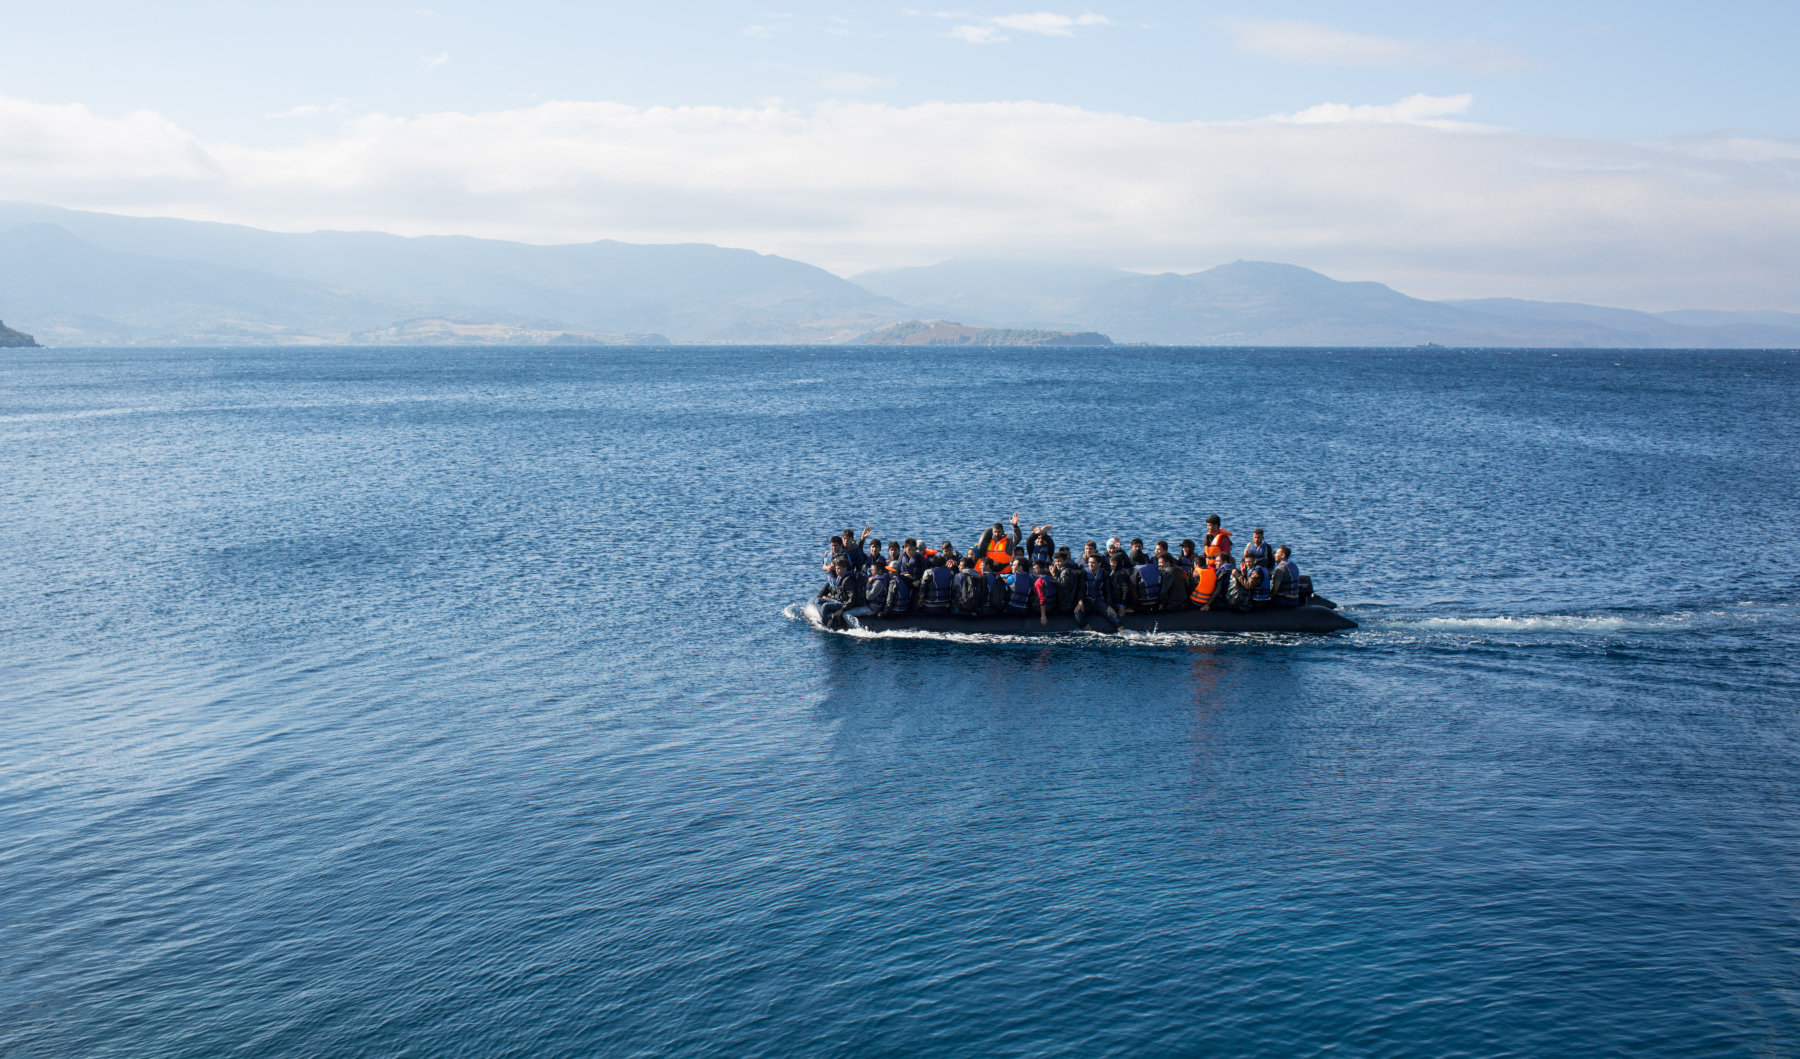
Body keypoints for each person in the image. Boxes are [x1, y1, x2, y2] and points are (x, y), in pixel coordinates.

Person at [1074, 554, 1120, 631]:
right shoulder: (1084, 573)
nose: (1090, 564)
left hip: (1099, 601)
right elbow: (1081, 588)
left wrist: (1109, 605)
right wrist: (1080, 601)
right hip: (1087, 601)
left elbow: (1108, 591)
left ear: (1099, 564)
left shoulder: (1104, 574)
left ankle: (1122, 630)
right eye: (1089, 562)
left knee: (1113, 616)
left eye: (1093, 563)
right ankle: (1091, 632)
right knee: (1077, 615)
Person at [1030, 560, 1057, 626]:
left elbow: (1042, 598)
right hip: (1052, 606)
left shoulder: (1039, 581)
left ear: (1042, 569)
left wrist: (1043, 616)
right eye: (1033, 569)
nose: (1034, 571)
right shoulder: (1050, 577)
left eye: (1036, 569)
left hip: (1042, 608)